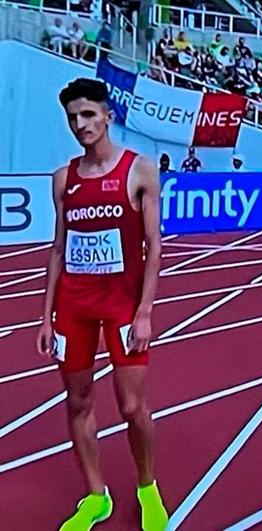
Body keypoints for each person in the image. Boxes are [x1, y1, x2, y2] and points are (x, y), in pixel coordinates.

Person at [35, 78, 168, 531]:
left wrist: (145, 312)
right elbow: (58, 248)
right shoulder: (63, 179)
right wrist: (45, 315)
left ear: (108, 115)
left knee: (132, 406)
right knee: (77, 402)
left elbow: (154, 244)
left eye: (88, 114)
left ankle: (147, 488)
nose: (80, 124)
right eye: (73, 117)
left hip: (122, 308)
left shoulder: (139, 171)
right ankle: (96, 496)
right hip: (73, 307)